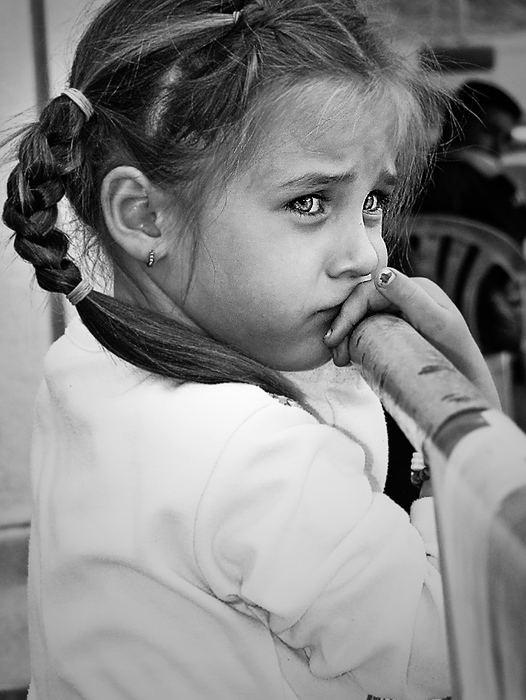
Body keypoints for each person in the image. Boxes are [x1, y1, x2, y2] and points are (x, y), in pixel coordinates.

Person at [2, 1, 499, 699]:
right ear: (145, 216)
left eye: (374, 201)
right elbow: (459, 647)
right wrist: (463, 426)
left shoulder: (86, 360)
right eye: (310, 203)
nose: (366, 254)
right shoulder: (257, 454)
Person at [414, 79, 526, 354]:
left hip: (407, 316)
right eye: (490, 131)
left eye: (506, 138)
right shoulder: (493, 185)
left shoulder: (410, 177)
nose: (498, 146)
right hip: (484, 323)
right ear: (458, 124)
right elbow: (515, 248)